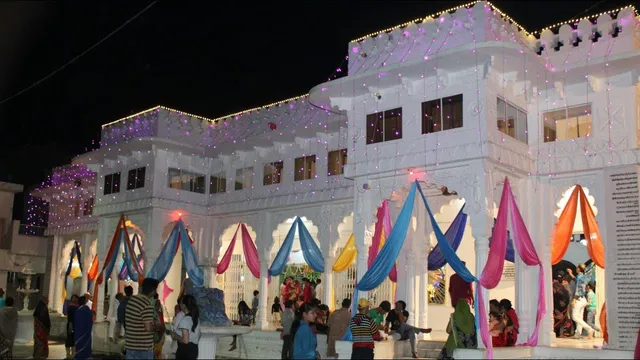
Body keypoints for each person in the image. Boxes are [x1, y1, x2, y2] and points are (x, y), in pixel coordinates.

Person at [125, 278, 161, 359]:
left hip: (130, 345)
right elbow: (148, 328)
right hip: (143, 348)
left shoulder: (132, 300)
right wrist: (157, 326)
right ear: (154, 291)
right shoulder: (147, 304)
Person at [172, 295, 200, 359]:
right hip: (194, 349)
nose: (180, 305)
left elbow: (185, 340)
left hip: (185, 351)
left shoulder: (185, 320)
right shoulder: (195, 318)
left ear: (184, 305)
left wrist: (175, 336)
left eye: (181, 303)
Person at [74, 296, 93, 360]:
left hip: (79, 332)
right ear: (85, 301)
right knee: (85, 347)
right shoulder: (86, 309)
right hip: (85, 331)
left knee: (79, 346)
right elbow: (90, 319)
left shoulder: (78, 309)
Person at [151, 293, 167, 359]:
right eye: (156, 305)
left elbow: (162, 328)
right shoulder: (151, 314)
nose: (158, 307)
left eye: (158, 305)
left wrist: (159, 338)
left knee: (157, 354)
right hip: (152, 339)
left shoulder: (159, 314)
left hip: (158, 338)